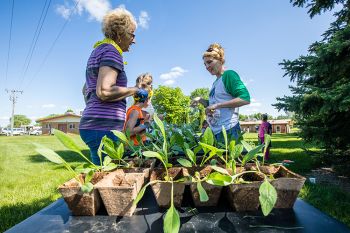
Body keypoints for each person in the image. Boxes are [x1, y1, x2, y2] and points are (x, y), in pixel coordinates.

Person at [79, 8, 140, 165]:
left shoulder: (99, 50)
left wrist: (94, 109)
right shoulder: (112, 52)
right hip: (104, 129)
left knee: (100, 176)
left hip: (94, 125)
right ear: (120, 34)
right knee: (109, 181)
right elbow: (104, 91)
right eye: (132, 34)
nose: (134, 40)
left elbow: (86, 89)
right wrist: (135, 90)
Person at [192, 43, 250, 142]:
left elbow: (245, 98)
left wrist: (217, 105)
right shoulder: (215, 83)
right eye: (205, 64)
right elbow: (212, 105)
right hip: (215, 131)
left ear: (220, 60)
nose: (207, 66)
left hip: (229, 130)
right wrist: (199, 99)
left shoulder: (229, 75)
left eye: (209, 62)